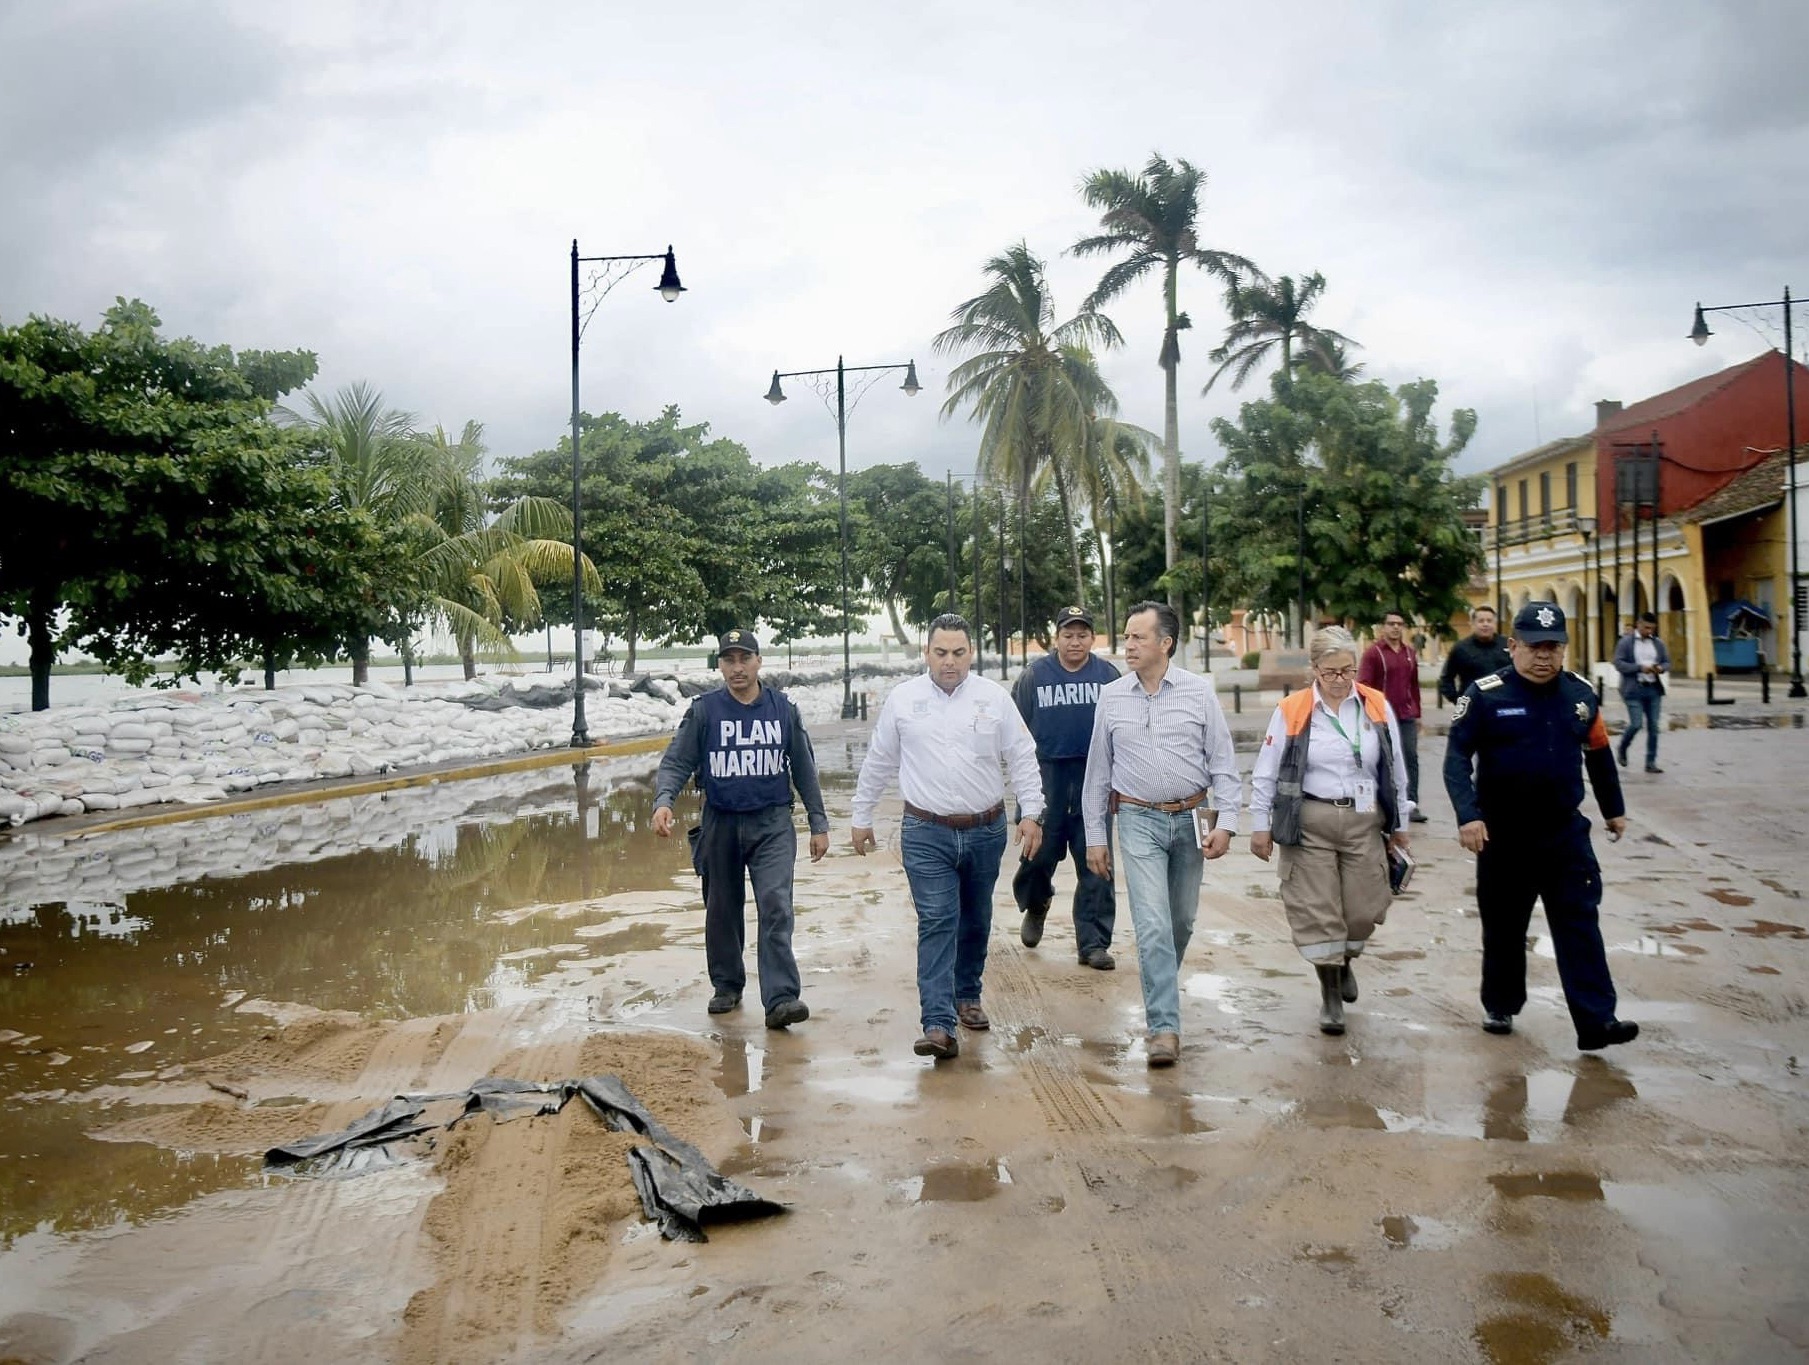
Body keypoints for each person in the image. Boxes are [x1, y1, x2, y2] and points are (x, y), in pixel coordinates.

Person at [1443, 601, 1638, 1051]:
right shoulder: (1485, 694)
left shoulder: (1581, 696)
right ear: (1514, 646)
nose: (1544, 655)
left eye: (1554, 647)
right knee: (1505, 926)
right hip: (1503, 835)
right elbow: (1456, 758)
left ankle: (1597, 1022)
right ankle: (1501, 1003)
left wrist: (1614, 808)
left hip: (1563, 833)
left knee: (1580, 924)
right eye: (1534, 646)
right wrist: (1468, 815)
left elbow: (1600, 755)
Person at [852, 613, 1044, 1061]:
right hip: (925, 831)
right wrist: (861, 816)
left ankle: (967, 995)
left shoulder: (993, 699)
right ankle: (937, 1023)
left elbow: (1022, 757)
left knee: (975, 918)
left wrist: (1032, 813)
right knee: (938, 919)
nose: (950, 662)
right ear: (927, 653)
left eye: (958, 653)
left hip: (985, 830)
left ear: (970, 654)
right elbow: (879, 761)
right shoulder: (903, 700)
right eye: (941, 653)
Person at [1082, 602, 1243, 1069]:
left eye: (1137, 637)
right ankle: (1164, 1028)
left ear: (1165, 643)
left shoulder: (1199, 693)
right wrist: (1097, 836)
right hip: (1137, 819)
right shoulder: (1111, 696)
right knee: (1152, 926)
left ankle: (1159, 985)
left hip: (1191, 819)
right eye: (1127, 637)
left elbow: (1223, 763)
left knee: (1181, 922)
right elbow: (1098, 774)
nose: (1128, 645)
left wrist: (1228, 823)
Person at [653, 629, 829, 1029]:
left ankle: (781, 997)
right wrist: (663, 801)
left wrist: (818, 822)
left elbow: (803, 767)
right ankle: (728, 986)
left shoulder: (783, 710)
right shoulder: (704, 711)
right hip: (721, 822)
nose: (737, 668)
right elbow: (677, 762)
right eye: (728, 660)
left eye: (744, 659)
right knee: (721, 909)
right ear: (720, 665)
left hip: (772, 823)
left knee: (776, 905)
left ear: (758, 662)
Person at [1248, 626, 1412, 1035]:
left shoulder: (1375, 704)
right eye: (1331, 672)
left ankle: (1347, 960)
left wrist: (1401, 827)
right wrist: (1259, 825)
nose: (1341, 680)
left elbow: (1397, 770)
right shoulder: (1293, 708)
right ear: (1314, 669)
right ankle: (1330, 994)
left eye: (1348, 671)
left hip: (1364, 820)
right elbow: (1266, 772)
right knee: (1319, 911)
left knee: (1363, 908)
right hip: (1310, 822)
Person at [1011, 604, 1121, 969]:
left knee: (1096, 864)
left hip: (1094, 779)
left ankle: (1093, 943)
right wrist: (1026, 801)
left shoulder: (1108, 676)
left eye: (1082, 635)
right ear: (1056, 638)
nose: (1075, 642)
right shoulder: (1034, 677)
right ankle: (1037, 902)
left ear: (1092, 637)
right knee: (1038, 857)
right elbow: (1014, 734)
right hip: (1048, 781)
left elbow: (1125, 731)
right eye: (1068, 635)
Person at [1359, 609, 1427, 822]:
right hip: (1381, 717)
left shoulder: (1409, 653)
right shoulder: (1374, 653)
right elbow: (1363, 686)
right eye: (1391, 623)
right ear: (1383, 627)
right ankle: (1377, 803)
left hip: (1406, 715)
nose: (1396, 627)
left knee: (1410, 758)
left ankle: (1411, 804)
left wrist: (1417, 713)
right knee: (1378, 759)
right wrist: (1367, 713)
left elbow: (1413, 685)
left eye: (1399, 624)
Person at [1613, 611, 1670, 774]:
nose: (1649, 632)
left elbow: (1666, 662)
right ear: (1638, 624)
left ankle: (1650, 762)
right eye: (1646, 628)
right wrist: (1639, 668)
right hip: (1633, 689)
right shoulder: (1626, 643)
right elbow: (1618, 663)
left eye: (1652, 629)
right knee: (1636, 723)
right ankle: (1623, 747)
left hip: (1653, 688)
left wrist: (1660, 668)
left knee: (1653, 726)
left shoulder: (1658, 643)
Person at [1438, 605, 1512, 705]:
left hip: (1503, 705)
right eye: (1481, 621)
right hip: (1473, 707)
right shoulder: (1461, 648)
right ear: (1472, 624)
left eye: (1489, 621)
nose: (1485, 624)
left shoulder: (1508, 645)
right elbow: (1446, 679)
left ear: (1495, 623)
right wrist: (1458, 701)